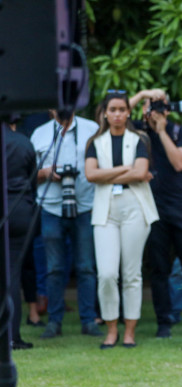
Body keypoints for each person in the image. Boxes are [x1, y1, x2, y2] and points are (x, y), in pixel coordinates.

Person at [129, 89, 182, 338]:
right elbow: (111, 114)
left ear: (168, 109)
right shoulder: (136, 131)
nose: (156, 110)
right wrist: (142, 95)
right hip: (152, 205)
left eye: (160, 105)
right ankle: (163, 323)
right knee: (159, 267)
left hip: (180, 205)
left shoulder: (179, 131)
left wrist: (162, 130)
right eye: (151, 105)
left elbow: (178, 163)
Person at [85, 92, 158, 348]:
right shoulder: (95, 142)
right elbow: (90, 175)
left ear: (128, 112)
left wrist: (107, 174)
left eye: (121, 109)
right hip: (105, 208)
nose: (117, 114)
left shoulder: (139, 140)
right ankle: (111, 328)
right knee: (106, 273)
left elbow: (140, 173)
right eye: (113, 109)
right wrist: (126, 169)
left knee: (131, 273)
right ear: (105, 113)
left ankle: (129, 331)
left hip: (134, 206)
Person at [30, 110, 102, 339]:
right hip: (51, 207)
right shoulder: (39, 134)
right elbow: (27, 174)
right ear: (50, 109)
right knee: (54, 268)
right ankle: (54, 322)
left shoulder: (92, 129)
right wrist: (45, 172)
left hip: (85, 206)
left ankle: (89, 320)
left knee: (86, 267)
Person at [5, 122, 37, 349]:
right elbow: (32, 181)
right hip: (19, 209)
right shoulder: (23, 142)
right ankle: (12, 336)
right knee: (12, 275)